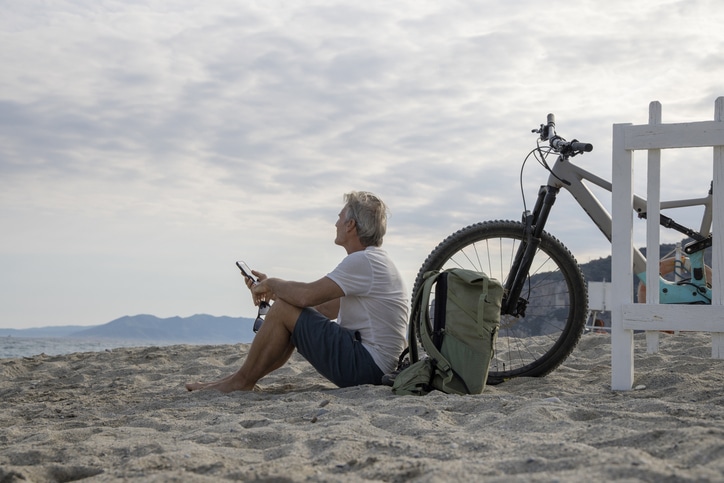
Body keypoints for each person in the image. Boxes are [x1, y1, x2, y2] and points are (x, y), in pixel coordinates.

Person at [186, 191, 409, 393]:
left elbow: (305, 296)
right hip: (375, 367)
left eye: (340, 217)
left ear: (351, 225)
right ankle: (237, 379)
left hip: (367, 367)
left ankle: (240, 382)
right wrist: (272, 292)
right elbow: (321, 308)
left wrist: (272, 285)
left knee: (285, 310)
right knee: (287, 311)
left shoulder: (364, 261)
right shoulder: (373, 261)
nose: (335, 223)